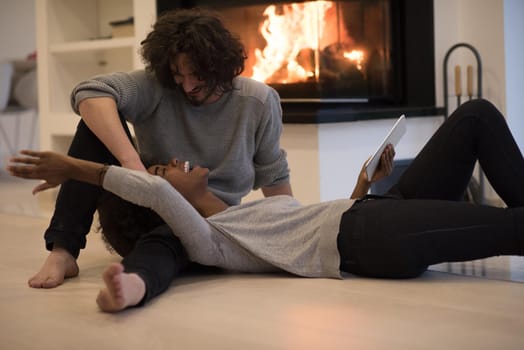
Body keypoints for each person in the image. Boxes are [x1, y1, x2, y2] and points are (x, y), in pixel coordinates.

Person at [9, 99, 524, 313]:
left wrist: (364, 185)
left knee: (475, 116)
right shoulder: (202, 239)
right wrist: (130, 288)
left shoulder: (243, 212)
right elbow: (152, 251)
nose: (172, 162)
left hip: (371, 213)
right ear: (163, 206)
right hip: (372, 237)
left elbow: (313, 229)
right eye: (165, 169)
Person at [29, 8, 293, 289]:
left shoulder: (258, 102)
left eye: (197, 75)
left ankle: (137, 280)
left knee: (172, 245)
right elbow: (89, 92)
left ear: (220, 65)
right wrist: (134, 167)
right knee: (92, 127)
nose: (188, 86)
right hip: (144, 214)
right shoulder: (157, 86)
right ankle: (63, 250)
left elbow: (274, 177)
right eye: (179, 75)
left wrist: (287, 236)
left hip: (210, 224)